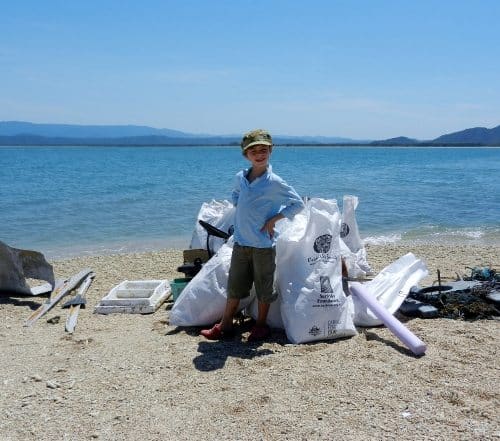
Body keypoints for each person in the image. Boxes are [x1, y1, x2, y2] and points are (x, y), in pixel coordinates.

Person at [200, 129, 305, 341]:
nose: (259, 154)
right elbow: (236, 194)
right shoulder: (241, 177)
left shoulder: (275, 182)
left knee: (264, 287)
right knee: (235, 286)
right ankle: (226, 324)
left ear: (270, 151)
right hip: (240, 242)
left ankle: (260, 325)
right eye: (254, 150)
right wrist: (240, 208)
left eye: (263, 150)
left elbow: (298, 204)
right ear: (246, 154)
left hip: (263, 245)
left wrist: (273, 220)